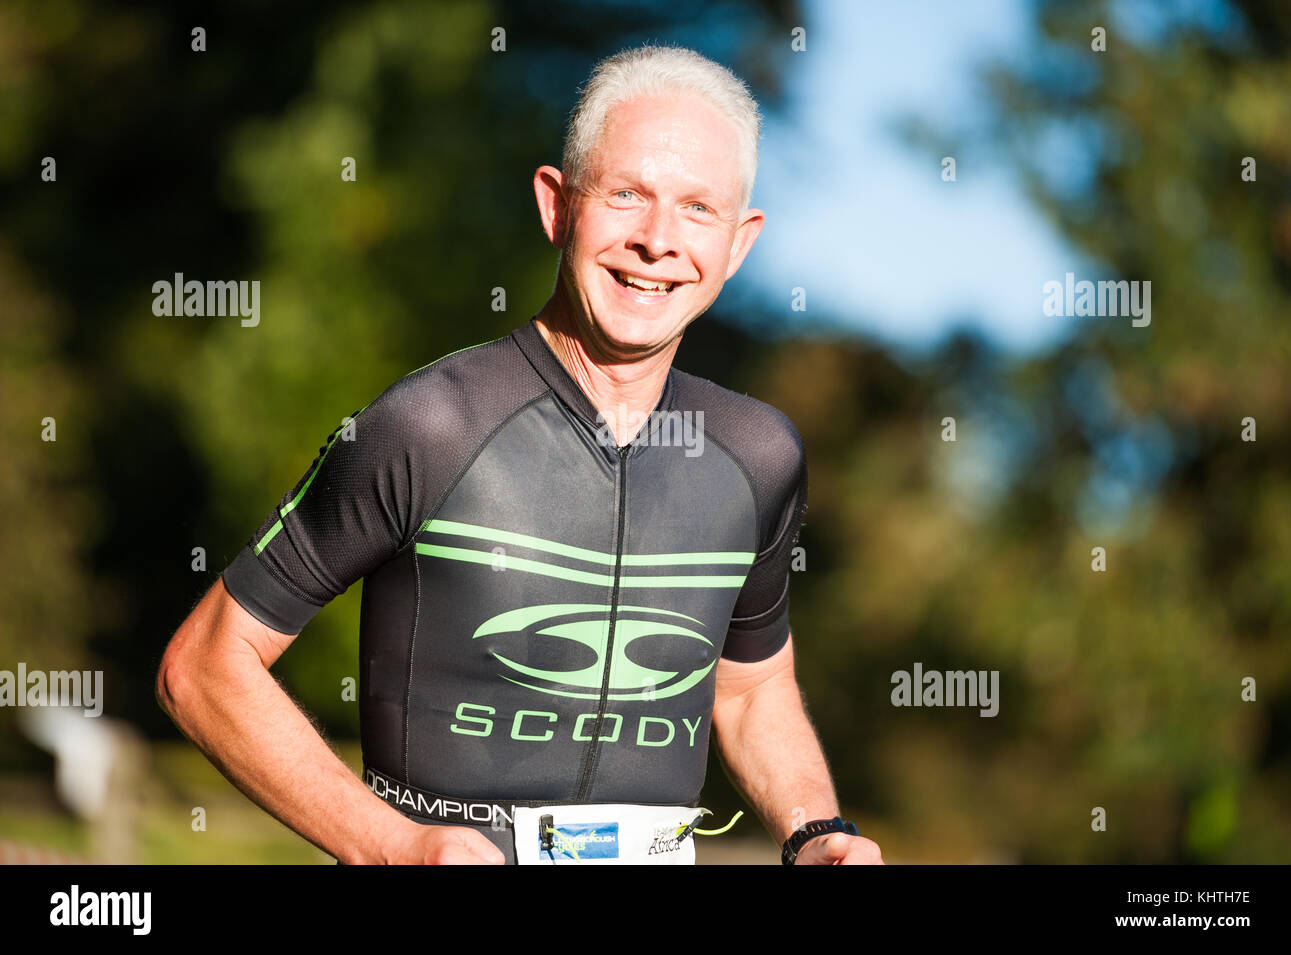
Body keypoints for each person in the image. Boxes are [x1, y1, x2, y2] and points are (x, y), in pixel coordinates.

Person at [157, 43, 884, 866]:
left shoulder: (759, 455)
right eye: (626, 194)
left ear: (739, 242)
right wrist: (393, 845)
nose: (657, 240)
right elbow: (206, 664)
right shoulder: (430, 424)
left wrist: (815, 830)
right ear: (557, 205)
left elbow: (751, 689)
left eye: (697, 209)